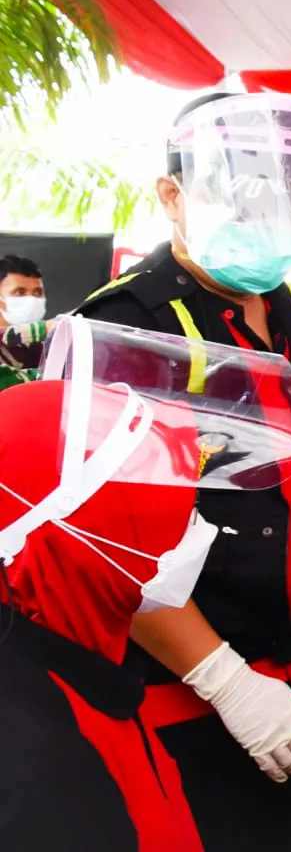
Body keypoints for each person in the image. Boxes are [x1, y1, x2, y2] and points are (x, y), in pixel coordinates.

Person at [75, 91, 291, 852]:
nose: (268, 217)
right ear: (173, 196)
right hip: (173, 685)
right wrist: (226, 682)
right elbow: (102, 538)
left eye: (285, 197)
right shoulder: (123, 323)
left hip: (283, 667)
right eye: (244, 195)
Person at [0, 361, 219, 849]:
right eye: (152, 497)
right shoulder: (44, 769)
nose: (189, 516)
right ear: (74, 537)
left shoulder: (84, 663)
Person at [0, 255, 48, 391]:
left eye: (37, 293)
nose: (31, 299)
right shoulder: (44, 331)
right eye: (19, 293)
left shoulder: (46, 346)